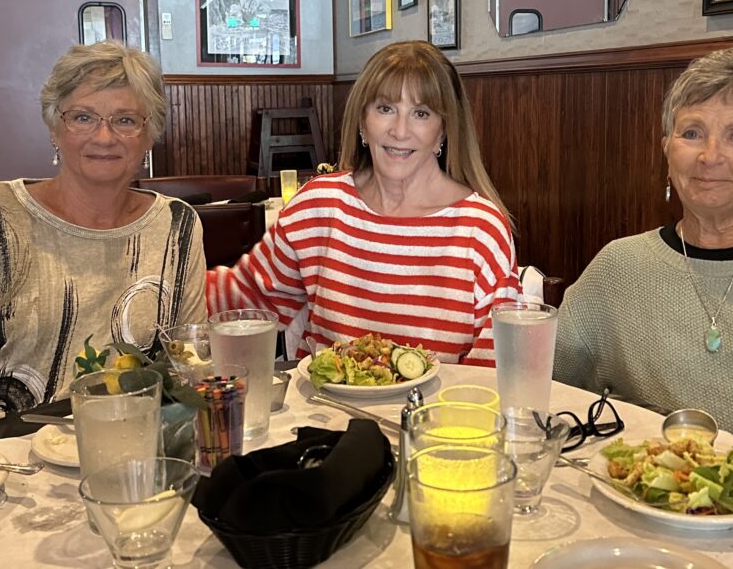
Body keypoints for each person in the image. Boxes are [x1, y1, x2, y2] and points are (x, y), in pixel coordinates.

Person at [0, 41, 206, 446]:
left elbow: (185, 367)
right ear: (54, 128)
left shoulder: (177, 226)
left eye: (126, 120)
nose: (104, 136)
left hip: (102, 457)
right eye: (83, 117)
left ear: (149, 135)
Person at [554, 48, 733, 510]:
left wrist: (729, 487)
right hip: (643, 506)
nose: (710, 156)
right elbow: (549, 383)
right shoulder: (618, 266)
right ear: (667, 151)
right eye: (692, 133)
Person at [207, 40, 520, 365]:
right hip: (321, 413)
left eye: (421, 113)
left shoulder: (481, 230)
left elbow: (490, 375)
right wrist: (163, 288)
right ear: (362, 122)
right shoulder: (319, 205)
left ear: (443, 131)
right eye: (385, 108)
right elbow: (248, 298)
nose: (400, 131)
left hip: (438, 415)